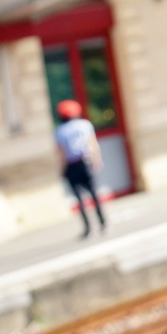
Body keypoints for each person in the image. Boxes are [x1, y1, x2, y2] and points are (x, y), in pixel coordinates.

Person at [54, 99, 107, 237]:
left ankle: (88, 228)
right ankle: (103, 223)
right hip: (86, 162)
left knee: (79, 199)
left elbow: (62, 153)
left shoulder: (59, 131)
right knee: (94, 194)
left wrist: (61, 170)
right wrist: (97, 160)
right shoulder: (85, 125)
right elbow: (92, 144)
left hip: (72, 166)